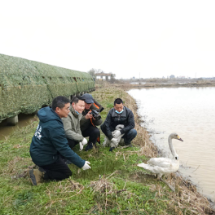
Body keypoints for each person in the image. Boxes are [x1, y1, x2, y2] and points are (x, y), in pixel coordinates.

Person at [28, 96, 91, 186]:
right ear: (57, 109)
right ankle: (40, 173)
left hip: (37, 150)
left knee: (63, 155)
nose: (69, 111)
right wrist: (81, 163)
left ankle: (44, 165)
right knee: (65, 173)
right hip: (43, 156)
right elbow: (64, 148)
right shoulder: (54, 125)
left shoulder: (48, 113)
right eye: (67, 108)